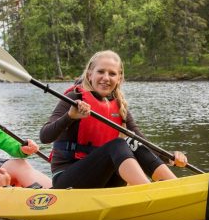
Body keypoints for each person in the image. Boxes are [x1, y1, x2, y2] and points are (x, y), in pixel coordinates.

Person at [40, 50, 187, 189]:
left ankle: (176, 188)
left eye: (112, 73)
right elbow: (45, 136)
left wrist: (169, 158)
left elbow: (141, 139)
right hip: (68, 178)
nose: (106, 78)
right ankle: (149, 192)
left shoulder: (119, 105)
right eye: (101, 72)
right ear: (90, 74)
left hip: (104, 179)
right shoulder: (74, 98)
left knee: (132, 141)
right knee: (118, 144)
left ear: (119, 78)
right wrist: (69, 116)